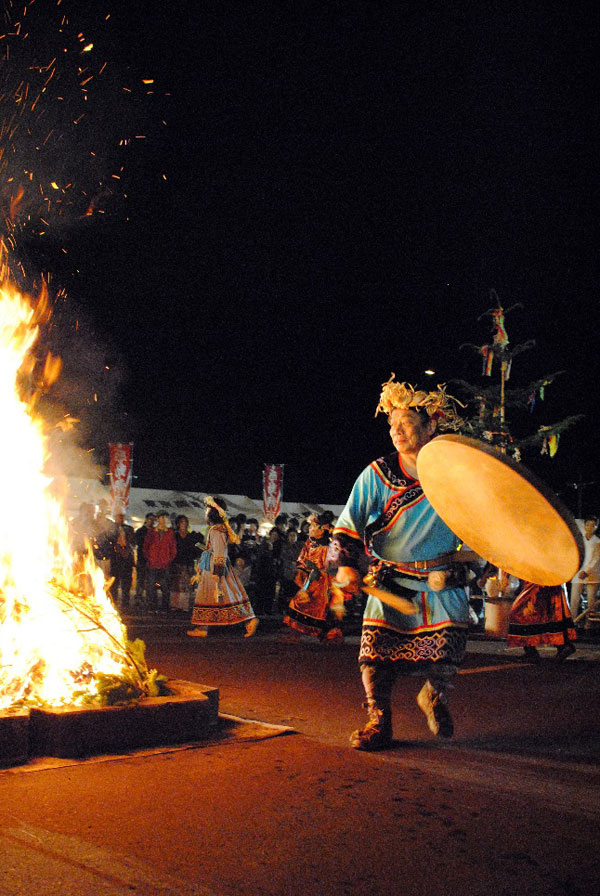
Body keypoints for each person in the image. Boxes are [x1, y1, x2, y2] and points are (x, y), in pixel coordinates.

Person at [328, 376, 471, 751]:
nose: (396, 431)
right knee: (376, 656)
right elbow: (349, 522)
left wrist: (483, 559)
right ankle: (379, 721)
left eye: (406, 423)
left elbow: (479, 520)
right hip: (391, 580)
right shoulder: (377, 474)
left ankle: (434, 694)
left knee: (447, 650)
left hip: (442, 580)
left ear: (430, 426)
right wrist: (345, 565)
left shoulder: (454, 474)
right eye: (392, 424)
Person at [187, 497, 258, 638]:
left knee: (224, 596)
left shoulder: (217, 530)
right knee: (225, 597)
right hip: (213, 567)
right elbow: (211, 550)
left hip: (216, 569)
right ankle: (203, 626)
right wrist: (200, 568)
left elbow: (219, 553)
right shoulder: (216, 529)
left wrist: (217, 575)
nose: (205, 512)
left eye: (207, 510)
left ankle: (249, 620)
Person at [282, 513, 345, 643]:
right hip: (312, 580)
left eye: (313, 526)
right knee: (301, 605)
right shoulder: (311, 543)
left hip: (322, 584)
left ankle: (325, 634)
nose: (310, 528)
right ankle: (297, 634)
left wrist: (314, 574)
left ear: (321, 530)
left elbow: (331, 568)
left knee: (311, 607)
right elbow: (304, 561)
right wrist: (303, 570)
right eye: (310, 526)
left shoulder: (327, 548)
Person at [144, 510, 177, 613]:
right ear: (158, 519)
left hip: (164, 564)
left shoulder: (170, 532)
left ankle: (164, 607)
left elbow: (173, 548)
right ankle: (152, 606)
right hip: (153, 563)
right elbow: (146, 546)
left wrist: (168, 559)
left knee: (165, 587)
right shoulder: (151, 532)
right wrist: (150, 558)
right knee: (151, 587)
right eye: (161, 517)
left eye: (164, 517)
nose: (163, 519)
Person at [569, 517, 600, 626]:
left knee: (591, 601)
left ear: (596, 527)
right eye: (587, 525)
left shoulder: (597, 541)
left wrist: (586, 571)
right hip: (578, 572)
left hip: (592, 575)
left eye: (592, 525)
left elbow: (596, 558)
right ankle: (572, 623)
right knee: (574, 600)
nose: (589, 528)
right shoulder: (579, 539)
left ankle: (589, 624)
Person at [171, 514, 204, 612]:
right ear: (178, 524)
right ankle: (175, 605)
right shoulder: (174, 536)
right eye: (181, 522)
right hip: (176, 563)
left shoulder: (191, 536)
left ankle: (184, 605)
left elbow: (198, 547)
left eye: (185, 522)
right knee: (176, 584)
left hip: (188, 563)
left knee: (186, 585)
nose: (183, 524)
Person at [107, 511, 136, 611]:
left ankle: (125, 603)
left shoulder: (129, 529)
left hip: (127, 559)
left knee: (126, 583)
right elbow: (109, 541)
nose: (121, 519)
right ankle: (113, 601)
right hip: (116, 559)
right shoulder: (111, 529)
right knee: (114, 583)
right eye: (119, 517)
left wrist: (127, 548)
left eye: (122, 517)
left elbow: (133, 542)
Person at [134, 512, 156, 609]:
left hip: (152, 560)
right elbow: (137, 543)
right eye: (150, 519)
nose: (152, 521)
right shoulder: (140, 531)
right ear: (146, 519)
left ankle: (149, 599)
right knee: (141, 580)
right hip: (142, 559)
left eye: (153, 520)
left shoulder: (155, 531)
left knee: (150, 580)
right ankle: (138, 598)